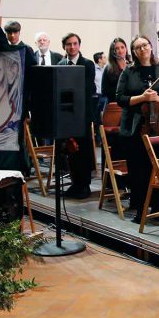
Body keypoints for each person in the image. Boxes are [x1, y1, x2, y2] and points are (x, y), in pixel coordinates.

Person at [115, 34, 159, 221]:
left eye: (145, 45)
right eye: (138, 47)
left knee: (158, 167)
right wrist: (142, 98)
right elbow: (120, 98)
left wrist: (158, 98)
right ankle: (140, 208)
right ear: (134, 52)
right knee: (138, 169)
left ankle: (156, 205)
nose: (142, 49)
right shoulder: (128, 72)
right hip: (135, 128)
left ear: (151, 47)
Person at [57, 33, 97, 198]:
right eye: (69, 44)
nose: (72, 47)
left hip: (82, 114)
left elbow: (88, 88)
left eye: (75, 44)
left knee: (83, 150)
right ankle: (75, 184)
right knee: (70, 151)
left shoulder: (87, 64)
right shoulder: (60, 64)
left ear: (79, 45)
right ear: (64, 46)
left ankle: (84, 185)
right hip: (66, 114)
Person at [101, 37, 130, 105]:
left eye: (122, 47)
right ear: (113, 52)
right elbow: (104, 91)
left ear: (126, 48)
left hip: (131, 102)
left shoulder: (132, 65)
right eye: (117, 48)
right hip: (114, 103)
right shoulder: (108, 69)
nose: (120, 51)